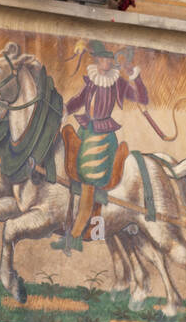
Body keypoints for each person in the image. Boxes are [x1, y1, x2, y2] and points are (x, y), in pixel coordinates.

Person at [57, 42, 147, 251]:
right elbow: (78, 100)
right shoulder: (91, 82)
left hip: (103, 136)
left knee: (89, 178)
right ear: (97, 60)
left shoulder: (117, 83)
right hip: (86, 130)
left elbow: (141, 98)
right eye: (101, 59)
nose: (104, 63)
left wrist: (136, 77)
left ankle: (76, 234)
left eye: (108, 60)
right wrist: (64, 110)